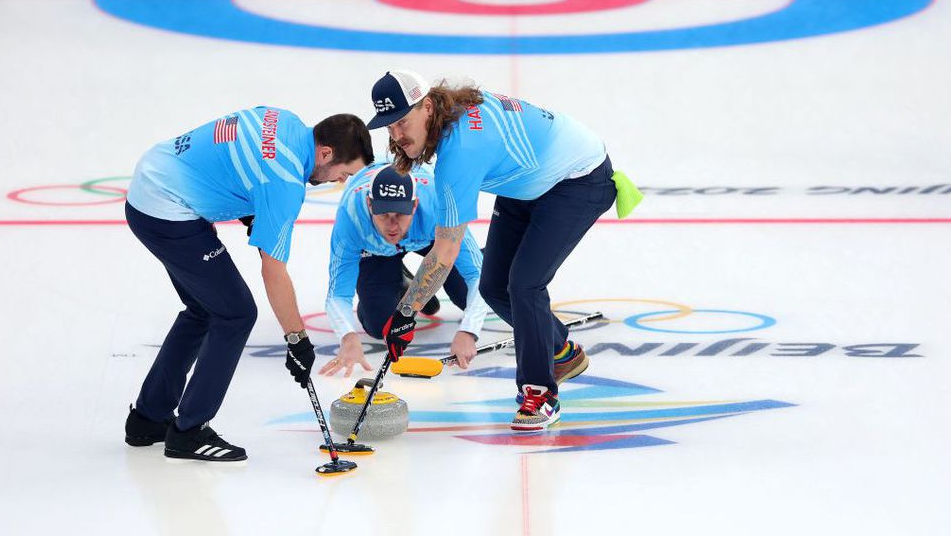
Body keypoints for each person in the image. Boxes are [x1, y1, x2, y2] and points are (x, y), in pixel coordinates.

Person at [367, 70, 623, 432]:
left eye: (402, 122)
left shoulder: (460, 154)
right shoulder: (450, 113)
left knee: (525, 284)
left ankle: (540, 393)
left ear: (427, 107)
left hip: (578, 180)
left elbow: (444, 252)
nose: (396, 135)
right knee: (493, 286)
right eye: (389, 127)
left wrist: (406, 312)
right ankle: (562, 354)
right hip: (528, 182)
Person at [123, 107, 374, 461]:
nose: (338, 182)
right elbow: (273, 270)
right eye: (342, 174)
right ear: (325, 153)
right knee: (236, 313)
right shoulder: (285, 183)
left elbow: (235, 151)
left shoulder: (283, 120)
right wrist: (296, 339)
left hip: (152, 181)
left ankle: (148, 418)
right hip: (166, 209)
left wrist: (249, 205)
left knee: (203, 309)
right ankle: (189, 432)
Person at [317, 163, 488, 377]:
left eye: (400, 214)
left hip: (433, 240)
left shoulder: (438, 205)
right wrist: (348, 337)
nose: (392, 226)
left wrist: (469, 331)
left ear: (415, 205)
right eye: (383, 214)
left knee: (473, 294)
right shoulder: (351, 218)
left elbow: (477, 275)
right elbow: (337, 294)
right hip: (377, 254)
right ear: (370, 204)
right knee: (380, 326)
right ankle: (404, 283)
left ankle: (495, 258)